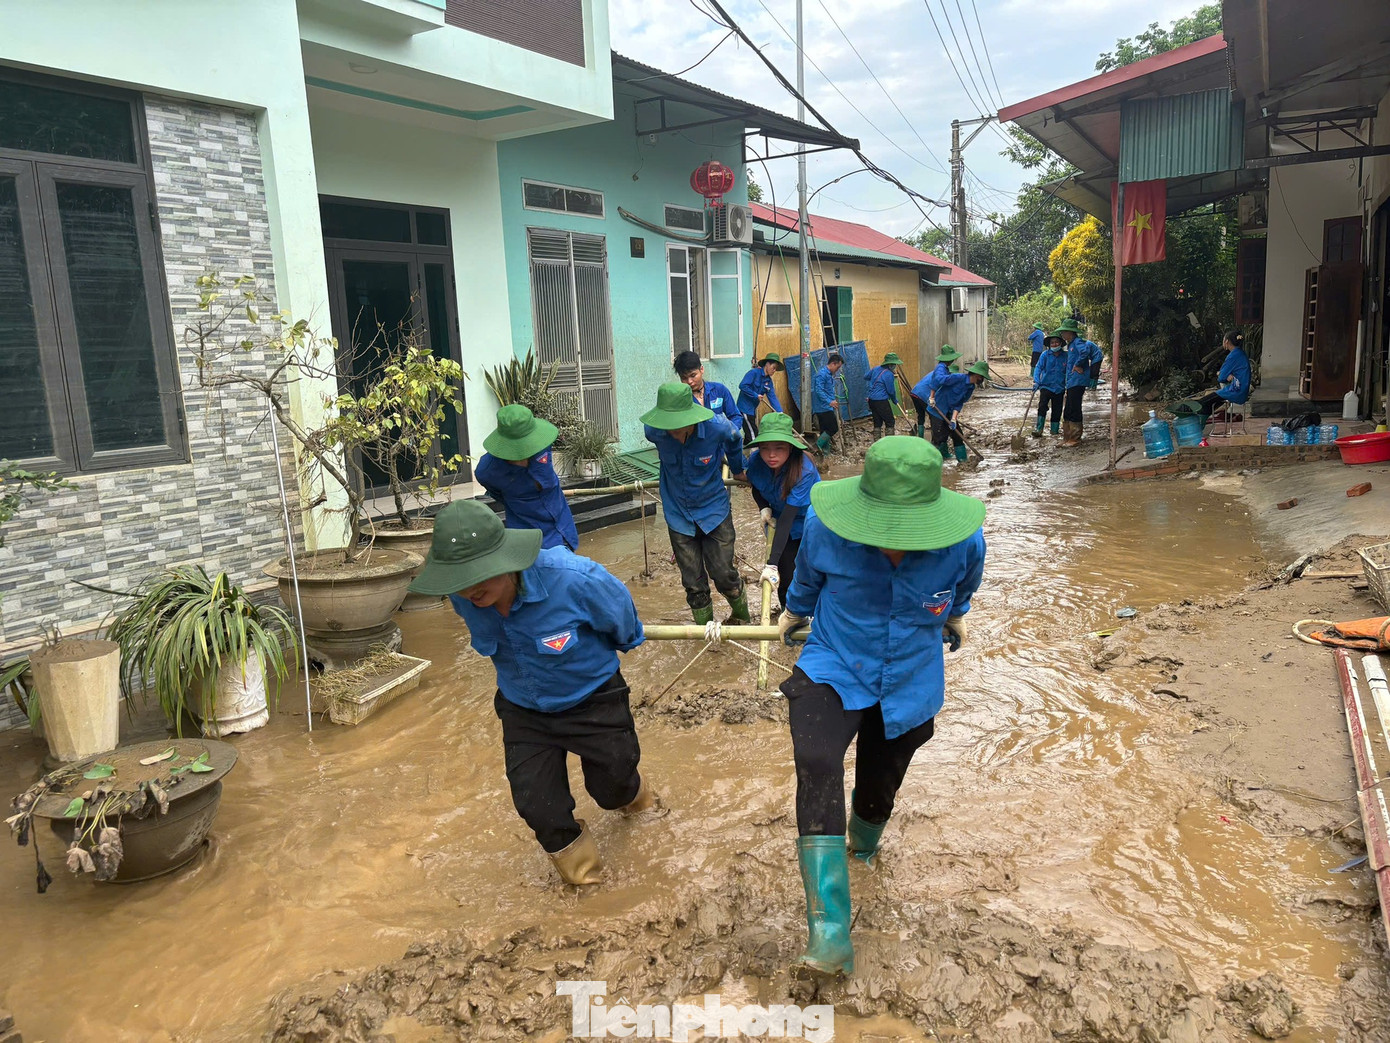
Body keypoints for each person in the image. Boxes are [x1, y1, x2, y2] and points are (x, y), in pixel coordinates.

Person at [775, 437, 986, 975]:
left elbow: (962, 589)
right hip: (835, 662)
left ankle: (863, 850)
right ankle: (828, 933)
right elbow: (806, 580)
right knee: (817, 761)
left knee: (877, 787)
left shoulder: (963, 543)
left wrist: (954, 614)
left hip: (911, 673)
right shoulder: (825, 528)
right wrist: (793, 612)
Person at [407, 500, 654, 886]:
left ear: (506, 561)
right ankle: (590, 888)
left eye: (479, 576)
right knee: (538, 808)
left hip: (593, 699)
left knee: (612, 789)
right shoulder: (463, 596)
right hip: (523, 709)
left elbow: (623, 623)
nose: (470, 590)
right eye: (460, 580)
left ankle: (641, 803)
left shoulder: (575, 578)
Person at [643, 382, 750, 625]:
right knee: (693, 584)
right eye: (667, 426)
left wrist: (737, 470)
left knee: (724, 574)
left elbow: (736, 440)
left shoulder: (717, 427)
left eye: (677, 426)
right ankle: (706, 637)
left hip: (714, 510)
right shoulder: (654, 431)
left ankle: (743, 620)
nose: (671, 432)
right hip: (678, 513)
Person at [474, 404, 579, 551]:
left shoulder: (542, 443)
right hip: (527, 537)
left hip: (563, 527)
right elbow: (497, 494)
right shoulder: (487, 471)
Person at [743, 412, 820, 611]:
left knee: (811, 574)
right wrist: (764, 508)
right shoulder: (756, 462)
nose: (771, 455)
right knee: (786, 578)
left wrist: (771, 564)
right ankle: (790, 617)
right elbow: (756, 487)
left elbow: (788, 518)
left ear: (790, 447)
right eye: (765, 448)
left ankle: (814, 617)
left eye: (779, 448)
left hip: (809, 522)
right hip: (780, 519)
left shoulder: (804, 470)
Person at [928, 360, 989, 464]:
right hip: (937, 409)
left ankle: (963, 463)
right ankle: (931, 463)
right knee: (939, 437)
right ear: (978, 375)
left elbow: (959, 403)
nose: (982, 380)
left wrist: (954, 419)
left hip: (950, 412)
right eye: (982, 377)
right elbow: (937, 381)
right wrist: (932, 397)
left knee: (958, 435)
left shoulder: (970, 387)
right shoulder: (957, 378)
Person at [1056, 318, 1102, 446]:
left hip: (1078, 380)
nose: (1062, 335)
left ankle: (1075, 438)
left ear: (1070, 332)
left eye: (1064, 332)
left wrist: (1078, 364)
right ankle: (1067, 437)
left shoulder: (1078, 342)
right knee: (1068, 408)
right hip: (1072, 380)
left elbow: (1085, 352)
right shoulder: (1071, 344)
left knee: (1074, 407)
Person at [674, 350, 741, 429]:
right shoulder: (679, 399)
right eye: (684, 378)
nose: (689, 382)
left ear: (701, 369)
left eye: (693, 375)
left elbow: (736, 416)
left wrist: (730, 433)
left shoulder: (719, 390)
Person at [1197, 330, 1253, 423]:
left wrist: (1221, 374)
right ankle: (1204, 424)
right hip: (1240, 391)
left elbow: (1221, 378)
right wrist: (1228, 375)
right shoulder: (1240, 353)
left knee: (1201, 404)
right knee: (1210, 403)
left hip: (1235, 392)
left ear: (1226, 341)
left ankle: (1199, 426)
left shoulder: (1233, 355)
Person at [910, 345, 961, 438]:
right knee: (934, 416)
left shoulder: (940, 370)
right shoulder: (943, 373)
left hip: (914, 392)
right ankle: (935, 440)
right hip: (923, 395)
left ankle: (920, 439)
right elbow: (939, 390)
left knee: (921, 416)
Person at [737, 353, 784, 441]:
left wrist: (780, 412)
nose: (774, 371)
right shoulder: (753, 373)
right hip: (744, 408)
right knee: (753, 435)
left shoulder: (768, 382)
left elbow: (772, 397)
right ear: (767, 364)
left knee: (749, 436)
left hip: (752, 410)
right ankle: (755, 453)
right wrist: (755, 395)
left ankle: (747, 453)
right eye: (773, 368)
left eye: (776, 369)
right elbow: (742, 386)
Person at [1031, 335, 1067, 437]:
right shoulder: (1045, 355)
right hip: (1046, 386)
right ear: (1049, 345)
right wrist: (1037, 381)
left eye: (1056, 342)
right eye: (1052, 343)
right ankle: (1039, 429)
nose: (1054, 344)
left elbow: (1068, 371)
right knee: (1042, 406)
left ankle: (1054, 431)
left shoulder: (1065, 356)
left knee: (1057, 409)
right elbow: (1038, 368)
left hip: (1059, 387)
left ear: (1060, 344)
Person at [811, 352, 844, 455]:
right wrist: (829, 402)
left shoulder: (829, 375)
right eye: (837, 367)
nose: (837, 370)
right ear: (833, 364)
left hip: (826, 406)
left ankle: (825, 454)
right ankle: (816, 446)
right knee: (833, 428)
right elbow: (819, 390)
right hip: (823, 407)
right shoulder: (822, 374)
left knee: (824, 430)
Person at [864, 352, 902, 441]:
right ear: (890, 364)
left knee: (877, 422)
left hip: (871, 400)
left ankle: (877, 443)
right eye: (894, 364)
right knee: (890, 422)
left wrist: (874, 380)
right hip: (881, 401)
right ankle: (889, 443)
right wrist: (894, 400)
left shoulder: (875, 369)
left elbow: (866, 376)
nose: (895, 366)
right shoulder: (889, 374)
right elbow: (891, 391)